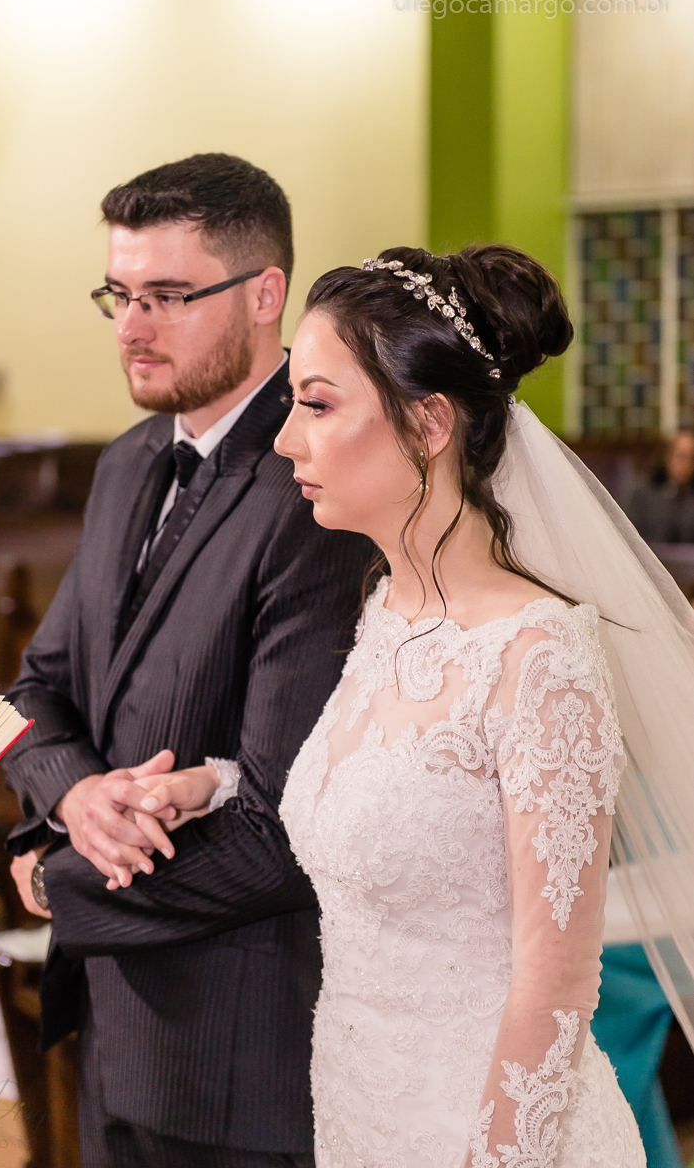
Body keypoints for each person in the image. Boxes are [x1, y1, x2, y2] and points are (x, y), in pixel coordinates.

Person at [141, 244, 659, 1166]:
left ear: (427, 422)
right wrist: (215, 785)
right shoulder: (385, 610)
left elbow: (556, 983)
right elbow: (389, 795)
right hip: (358, 1111)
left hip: (491, 1128)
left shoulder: (536, 656)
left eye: (317, 404)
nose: (285, 440)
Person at [4, 152, 371, 1168]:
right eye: (118, 295)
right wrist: (73, 798)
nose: (132, 326)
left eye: (167, 296)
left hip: (238, 1056)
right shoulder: (125, 464)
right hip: (111, 1029)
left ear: (264, 295)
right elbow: (38, 689)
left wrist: (56, 875)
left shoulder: (318, 487)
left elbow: (286, 829)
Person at [626, 429, 694, 543]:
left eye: (691, 458)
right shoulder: (643, 494)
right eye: (682, 456)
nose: (687, 464)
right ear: (668, 457)